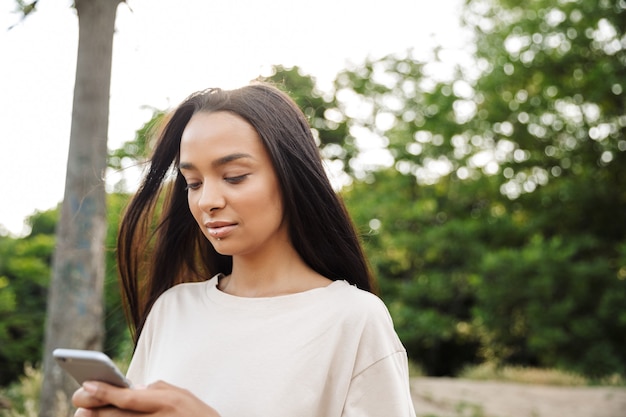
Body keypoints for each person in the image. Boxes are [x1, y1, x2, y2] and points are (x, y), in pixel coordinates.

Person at [72, 83, 416, 416]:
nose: (207, 201)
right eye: (193, 183)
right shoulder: (172, 310)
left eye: (234, 176)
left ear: (290, 175)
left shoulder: (353, 319)